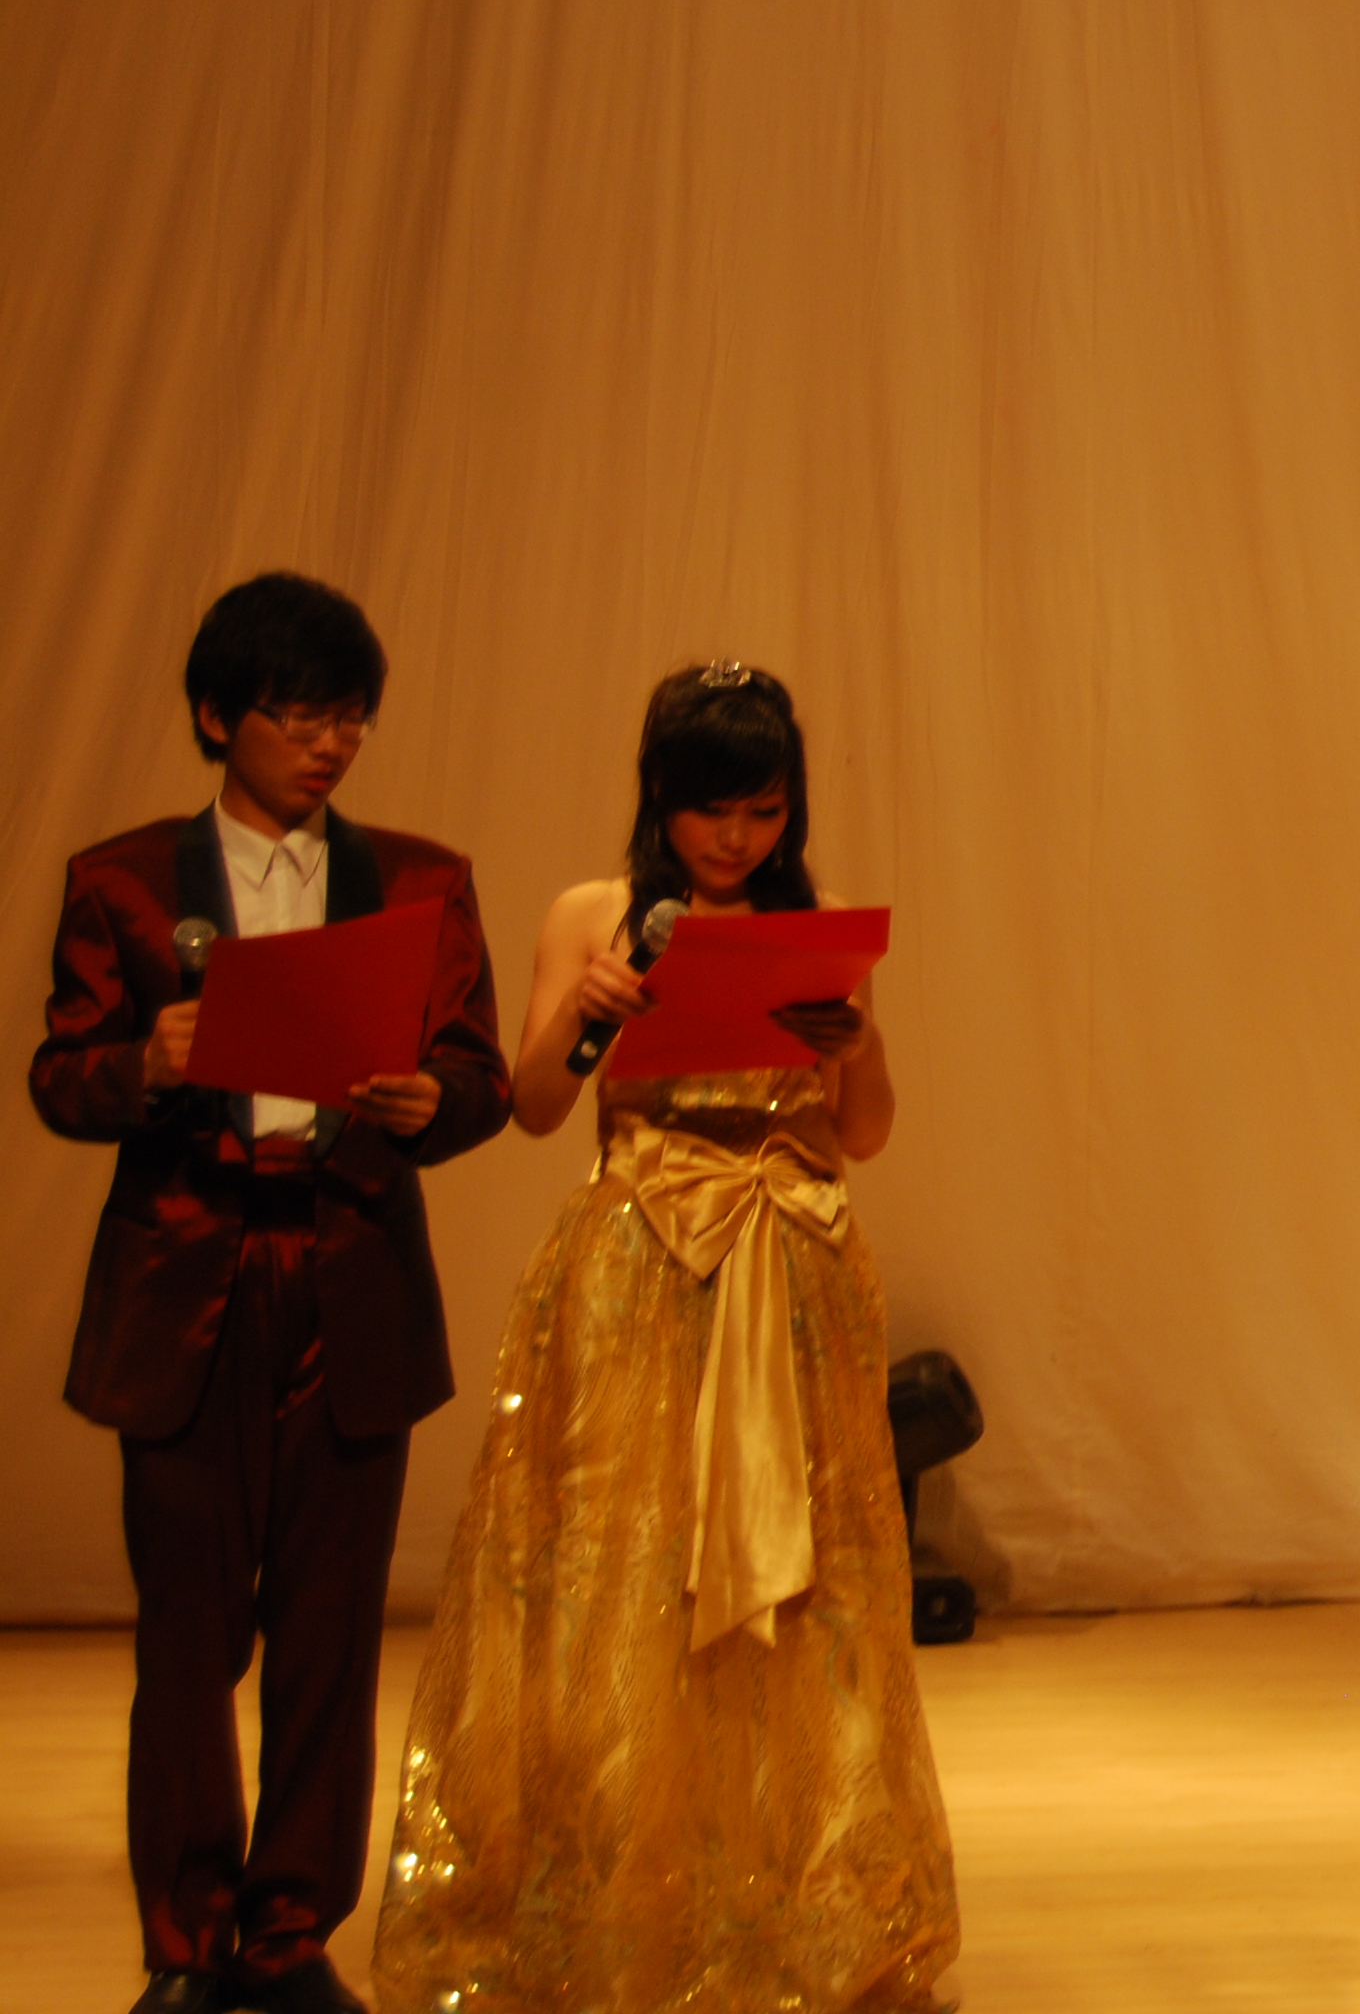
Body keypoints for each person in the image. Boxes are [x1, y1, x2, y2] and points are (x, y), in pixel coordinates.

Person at [369, 664, 959, 2013]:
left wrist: (855, 1042)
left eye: (762, 810)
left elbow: (863, 1133)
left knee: (802, 1596)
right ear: (660, 798)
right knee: (620, 1581)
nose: (735, 838)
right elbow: (531, 1106)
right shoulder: (596, 913)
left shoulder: (812, 923)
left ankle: (787, 1892)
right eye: (710, 811)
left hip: (792, 1257)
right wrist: (590, 1013)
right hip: (637, 1257)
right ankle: (615, 1891)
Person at [27, 574, 510, 2014]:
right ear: (215, 717)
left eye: (349, 717)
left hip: (350, 1272)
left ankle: (289, 1939)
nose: (329, 744)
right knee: (187, 1635)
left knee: (328, 1633)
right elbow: (59, 1078)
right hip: (191, 1273)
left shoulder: (420, 882)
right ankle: (186, 1946)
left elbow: (478, 1077)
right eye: (299, 715)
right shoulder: (125, 882)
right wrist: (145, 1064)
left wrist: (432, 1101)